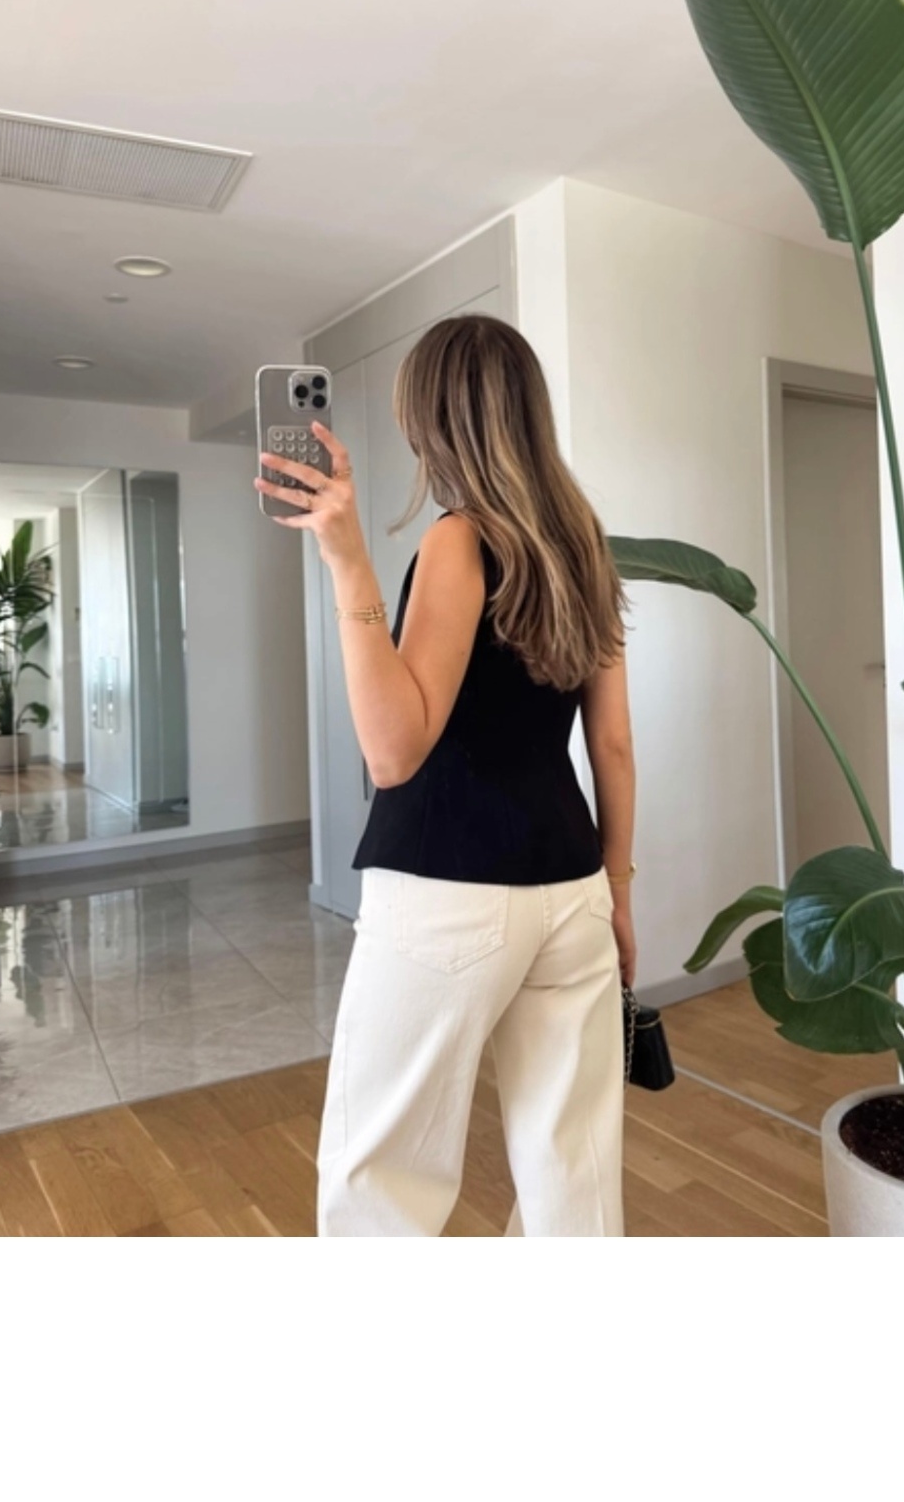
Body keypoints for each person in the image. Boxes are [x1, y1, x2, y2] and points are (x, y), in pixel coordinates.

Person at [255, 314, 637, 1236]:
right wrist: (618, 895)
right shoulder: (585, 543)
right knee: (574, 1173)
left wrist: (347, 562)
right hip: (574, 887)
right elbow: (614, 745)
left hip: (446, 894)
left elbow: (395, 753)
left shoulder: (459, 542)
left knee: (381, 1179)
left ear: (431, 419)